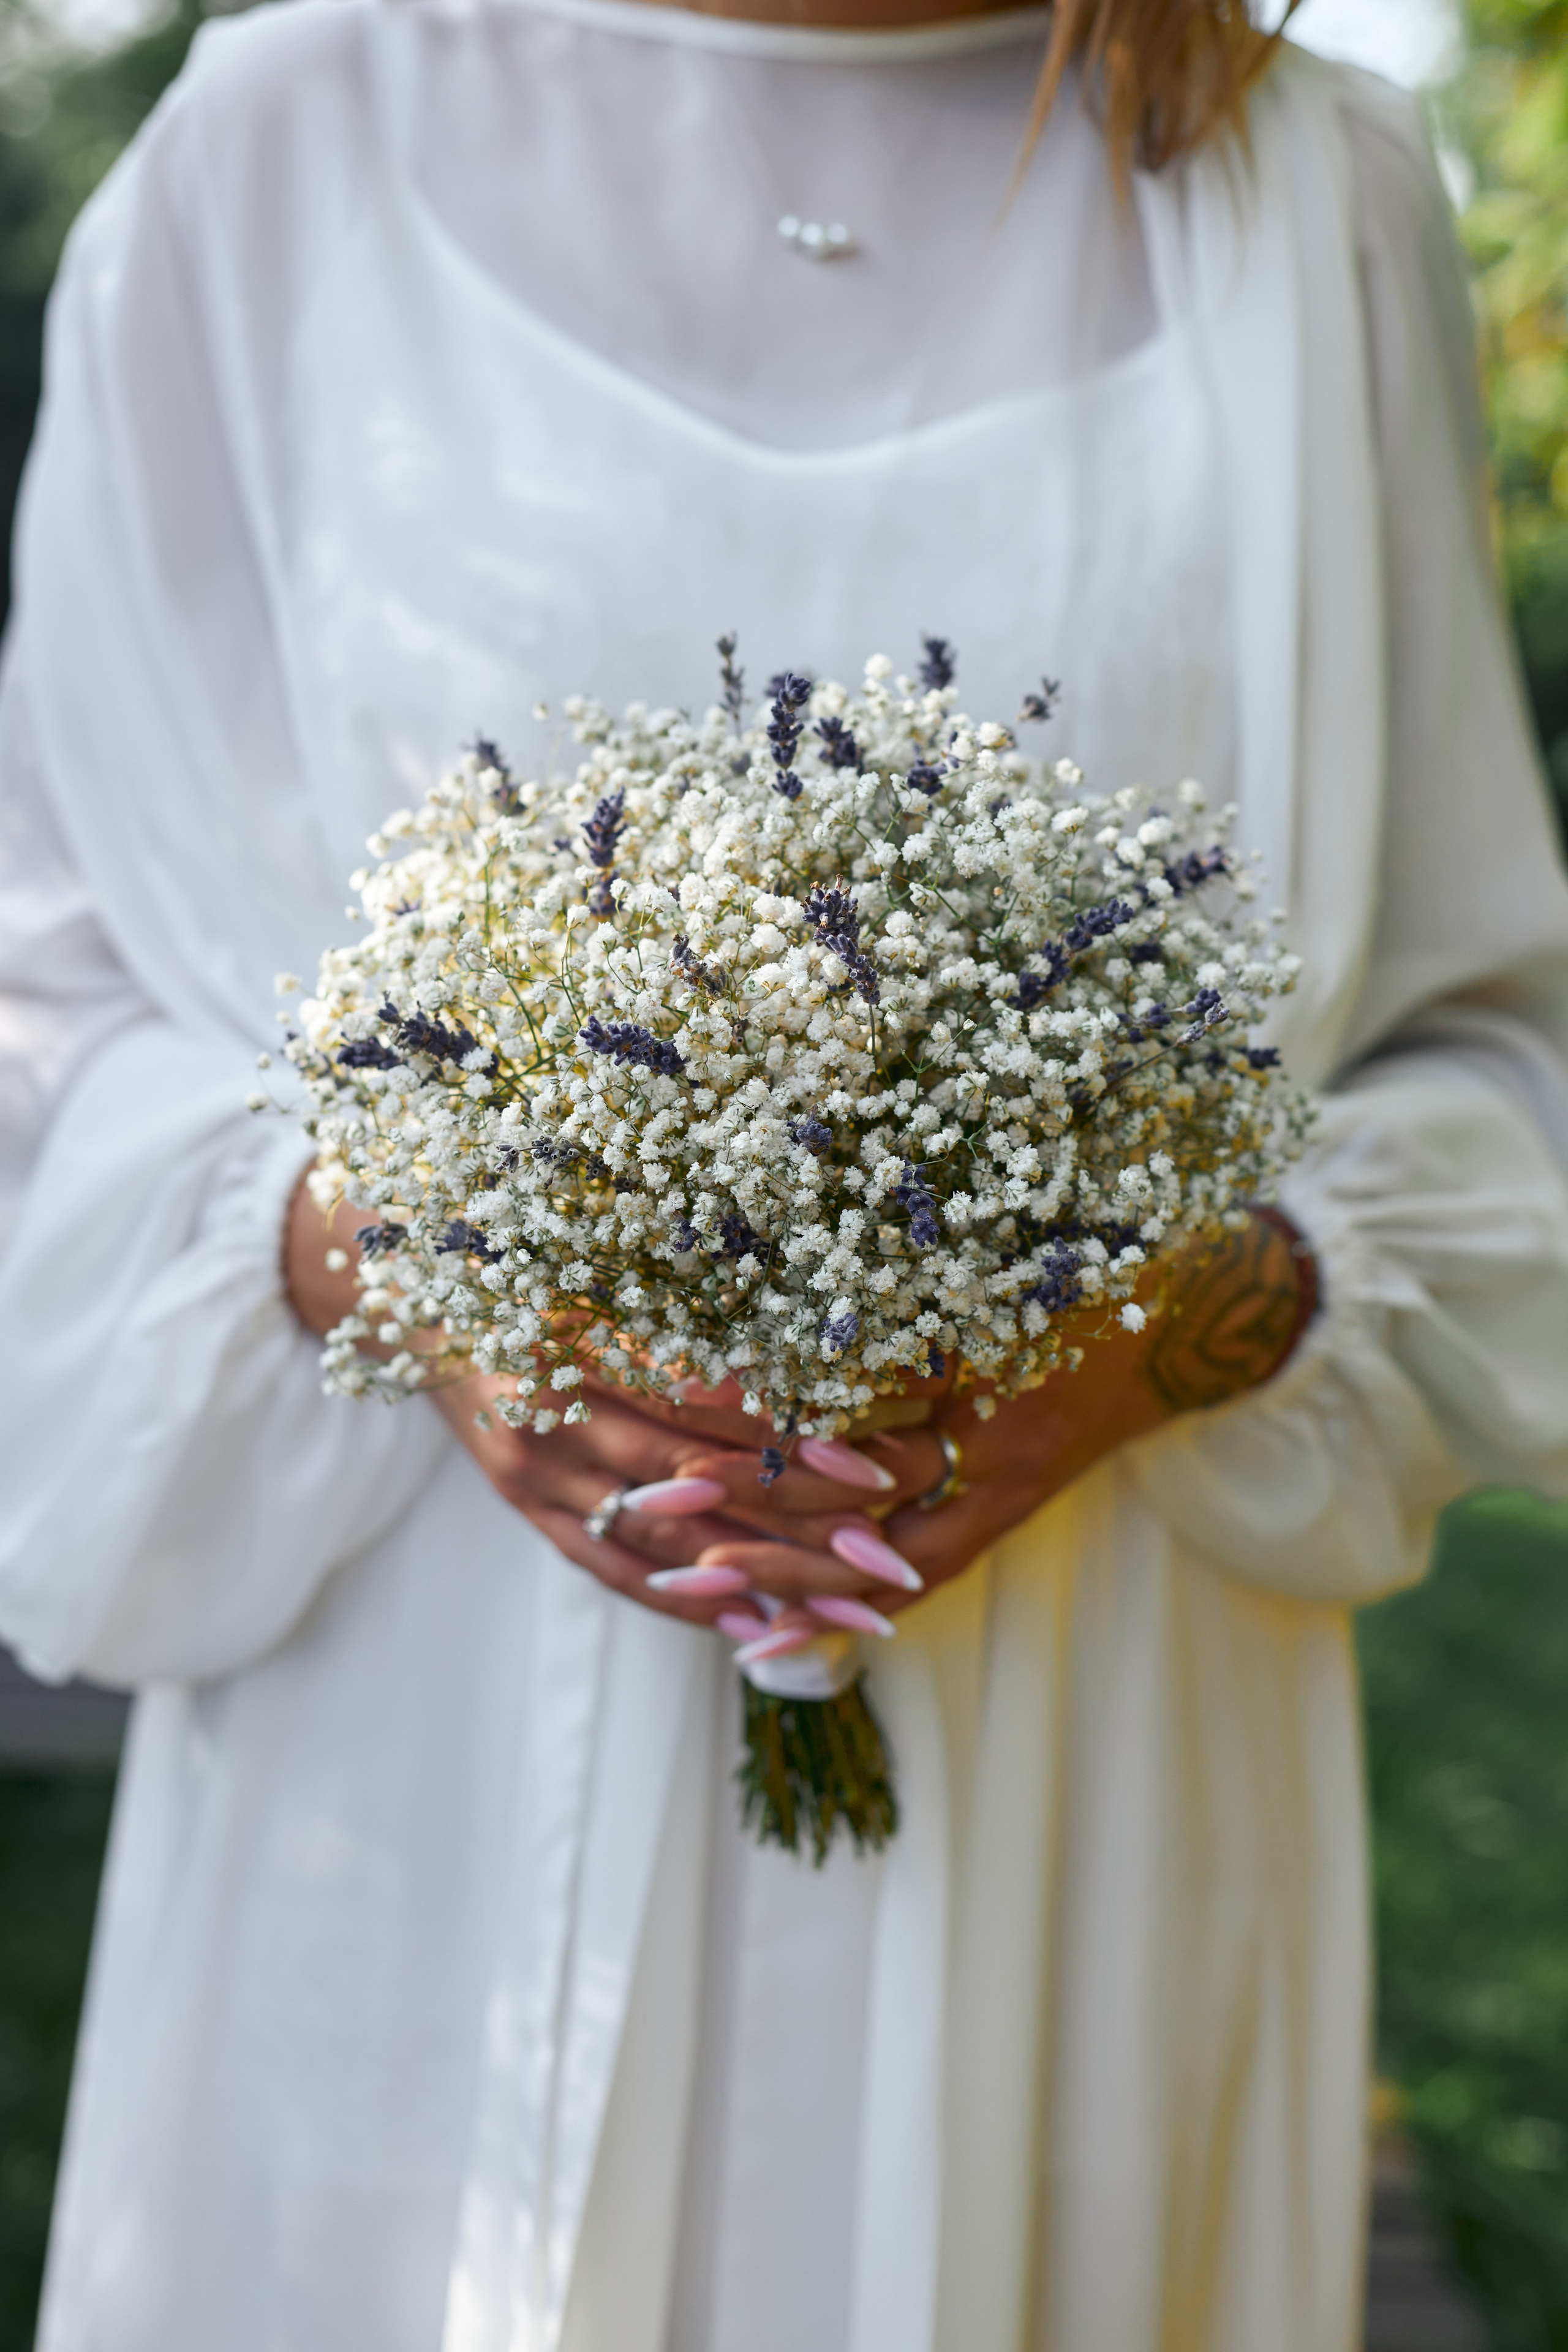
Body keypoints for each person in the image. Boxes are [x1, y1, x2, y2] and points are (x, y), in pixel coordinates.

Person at [2, 0, 1567, 2340]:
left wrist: (1152, 1337)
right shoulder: (280, 147)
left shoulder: (1299, 189)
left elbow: (1483, 1041)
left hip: (1098, 1714)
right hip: (413, 1753)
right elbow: (57, 992)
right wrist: (401, 1262)